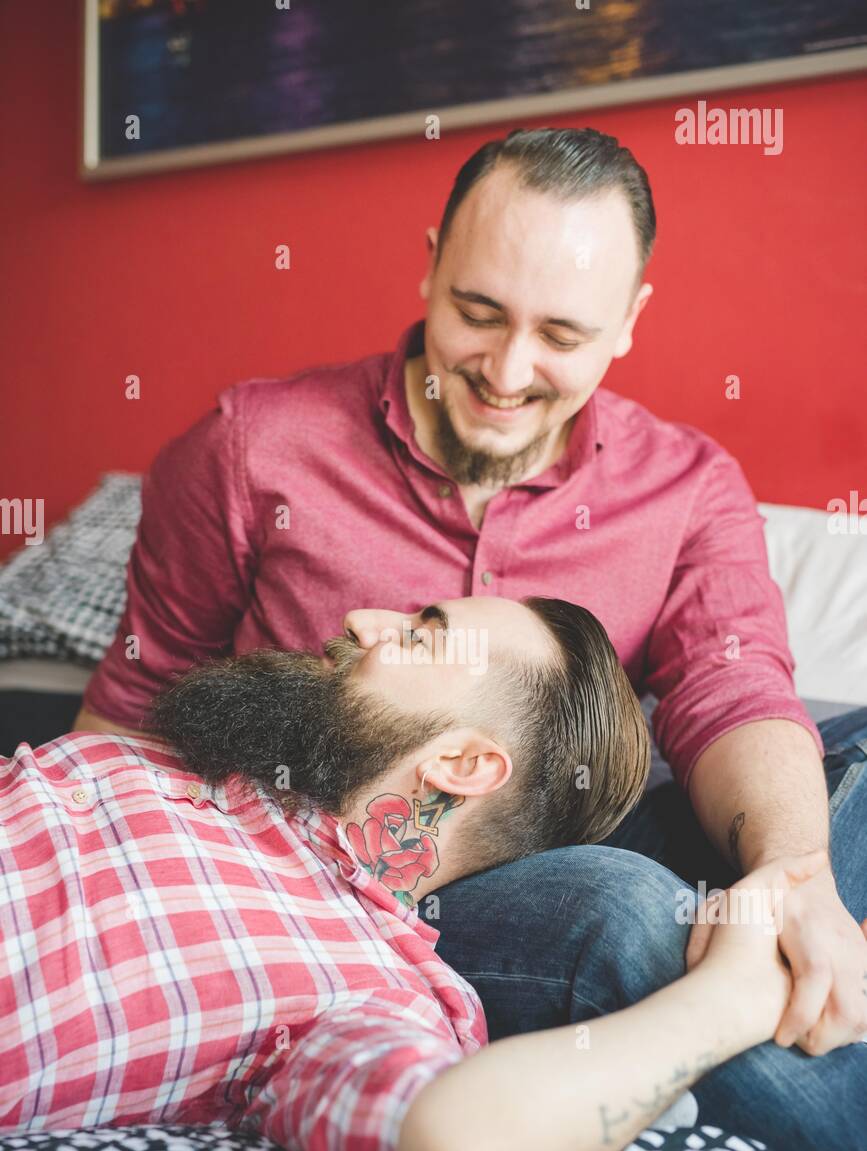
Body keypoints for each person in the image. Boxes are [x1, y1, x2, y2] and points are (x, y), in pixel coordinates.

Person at [73, 126, 867, 1061]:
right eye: (478, 312)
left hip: (613, 821)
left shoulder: (687, 486)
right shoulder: (252, 448)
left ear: (629, 321)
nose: (505, 370)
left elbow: (730, 688)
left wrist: (788, 872)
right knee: (627, 910)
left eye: (562, 335)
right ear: (430, 266)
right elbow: (135, 713)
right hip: (369, 888)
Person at [6, 595, 867, 1151]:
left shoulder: (359, 980)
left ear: (460, 763)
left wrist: (732, 998)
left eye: (420, 636)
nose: (361, 617)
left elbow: (462, 1141)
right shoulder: (188, 767)